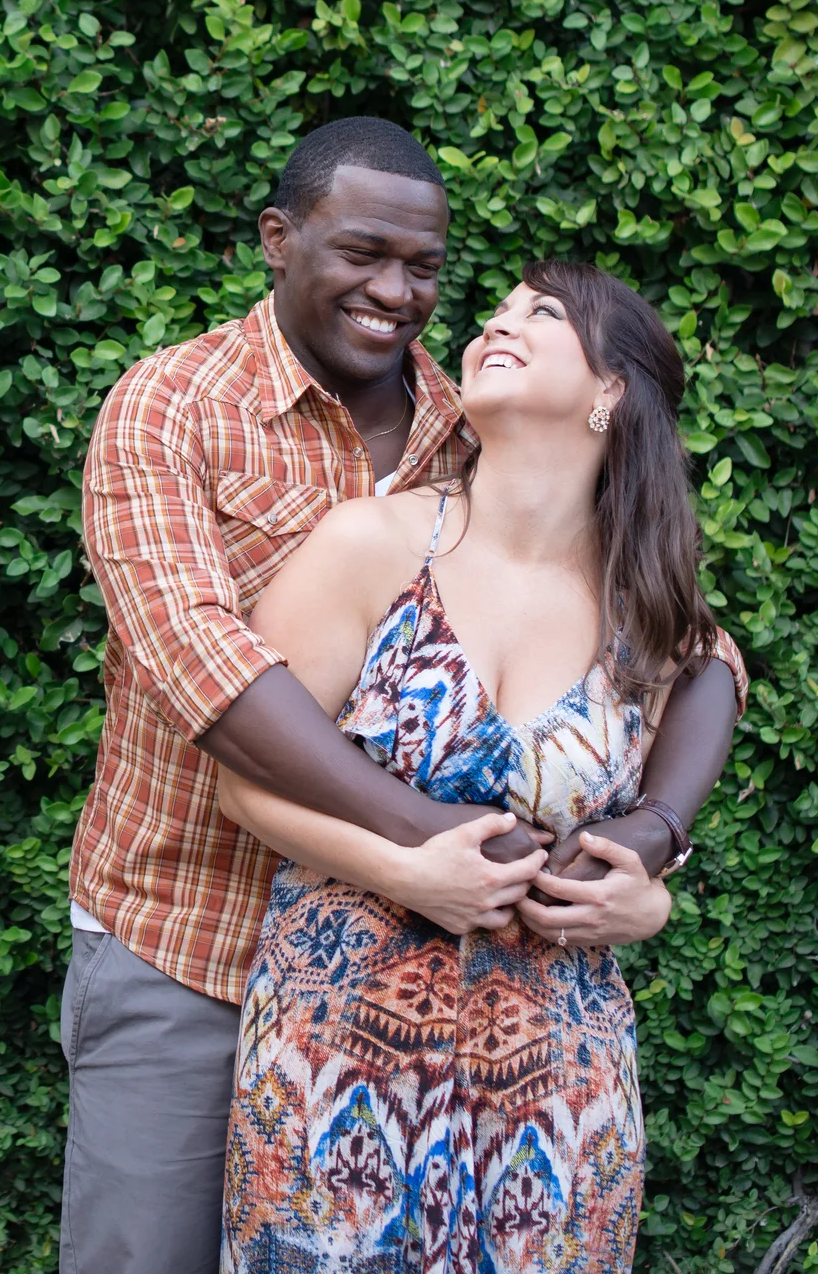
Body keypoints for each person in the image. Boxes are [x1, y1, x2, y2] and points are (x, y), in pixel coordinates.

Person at [62, 117, 743, 1274]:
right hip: (184, 933)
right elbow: (210, 676)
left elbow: (694, 650)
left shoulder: (462, 424)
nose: (397, 291)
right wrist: (427, 840)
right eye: (361, 253)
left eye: (423, 267)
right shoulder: (168, 407)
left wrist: (650, 853)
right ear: (279, 240)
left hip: (449, 984)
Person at [215, 261, 722, 1271]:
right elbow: (244, 779)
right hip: (333, 1060)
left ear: (611, 392)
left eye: (540, 314)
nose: (495, 324)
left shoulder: (649, 607)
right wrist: (398, 870)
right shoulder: (371, 545)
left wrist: (652, 889)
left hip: (559, 1089)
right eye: (493, 312)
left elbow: (713, 688)